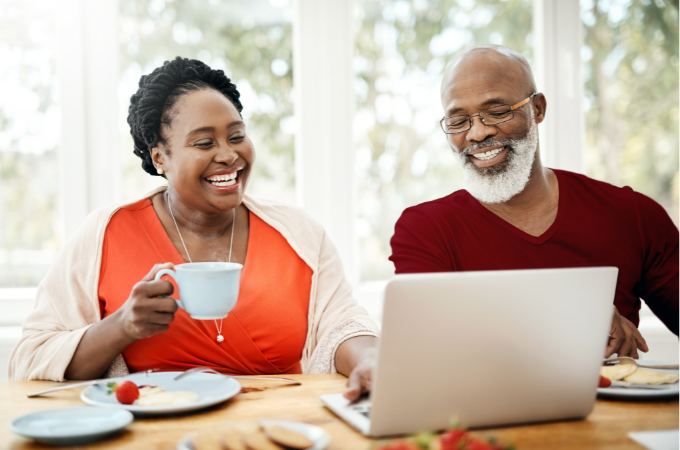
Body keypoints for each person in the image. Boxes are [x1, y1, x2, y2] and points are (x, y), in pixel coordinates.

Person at [9, 57, 377, 400]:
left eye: (236, 136)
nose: (228, 154)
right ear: (160, 158)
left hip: (278, 426)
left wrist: (369, 359)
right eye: (204, 143)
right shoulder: (105, 234)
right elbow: (30, 358)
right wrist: (121, 326)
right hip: (153, 434)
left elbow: (343, 325)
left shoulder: (299, 233)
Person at [390, 45, 678, 359]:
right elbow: (432, 346)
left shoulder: (632, 215)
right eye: (458, 121)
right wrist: (568, 313)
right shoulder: (424, 230)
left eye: (497, 112)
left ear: (537, 109)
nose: (478, 133)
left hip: (613, 407)